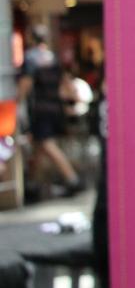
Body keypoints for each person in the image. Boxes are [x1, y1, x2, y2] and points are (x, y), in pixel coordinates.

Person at [17, 25, 85, 198]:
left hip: (40, 109)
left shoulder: (31, 58)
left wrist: (17, 102)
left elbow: (25, 85)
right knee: (39, 147)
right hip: (55, 106)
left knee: (46, 144)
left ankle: (72, 179)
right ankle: (32, 184)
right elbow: (64, 83)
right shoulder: (52, 57)